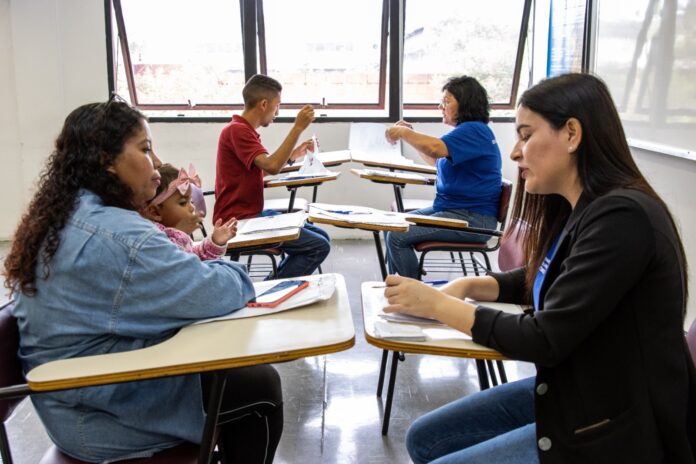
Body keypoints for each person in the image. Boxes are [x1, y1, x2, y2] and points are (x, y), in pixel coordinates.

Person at [383, 73, 696, 463]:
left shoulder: (622, 218)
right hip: (577, 391)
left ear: (572, 134)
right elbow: (541, 278)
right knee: (423, 438)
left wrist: (437, 305)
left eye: (526, 136)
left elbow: (544, 339)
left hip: (616, 427)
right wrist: (467, 286)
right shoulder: (583, 209)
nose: (515, 153)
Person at [4, 99, 283, 463]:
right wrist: (229, 270)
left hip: (71, 405)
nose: (156, 165)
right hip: (105, 417)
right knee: (260, 385)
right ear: (106, 158)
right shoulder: (119, 235)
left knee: (235, 376)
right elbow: (224, 290)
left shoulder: (61, 215)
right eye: (146, 149)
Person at [383, 75, 502, 279]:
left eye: (447, 101)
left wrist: (403, 132)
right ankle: (401, 283)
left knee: (396, 235)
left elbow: (435, 148)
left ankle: (412, 294)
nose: (441, 106)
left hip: (472, 219)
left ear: (465, 104)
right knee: (391, 224)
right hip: (456, 211)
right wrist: (410, 135)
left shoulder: (473, 130)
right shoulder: (468, 132)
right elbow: (436, 159)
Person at [214, 74, 330, 279]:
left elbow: (261, 168)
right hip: (240, 221)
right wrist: (298, 127)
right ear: (264, 104)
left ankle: (274, 281)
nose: (277, 112)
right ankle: (272, 288)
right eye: (277, 106)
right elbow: (272, 166)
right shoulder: (237, 131)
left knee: (322, 236)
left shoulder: (242, 130)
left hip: (251, 214)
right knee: (318, 246)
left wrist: (293, 156)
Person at [142, 163, 237, 260]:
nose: (192, 208)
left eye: (191, 201)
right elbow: (175, 265)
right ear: (155, 212)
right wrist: (180, 232)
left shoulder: (175, 232)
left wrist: (215, 241)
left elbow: (194, 257)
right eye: (183, 203)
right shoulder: (154, 239)